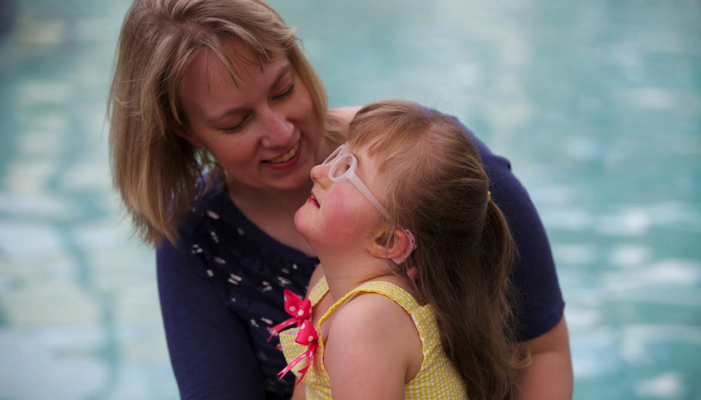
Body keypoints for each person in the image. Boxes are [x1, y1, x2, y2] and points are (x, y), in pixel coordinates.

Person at [107, 0, 572, 399]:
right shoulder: (208, 240)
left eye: (284, 89)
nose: (282, 133)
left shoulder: (428, 160)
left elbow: (543, 348)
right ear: (185, 131)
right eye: (235, 122)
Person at [276, 100, 527, 400]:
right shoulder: (324, 283)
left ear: (387, 241)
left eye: (347, 171)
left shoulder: (367, 322)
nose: (319, 171)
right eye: (338, 155)